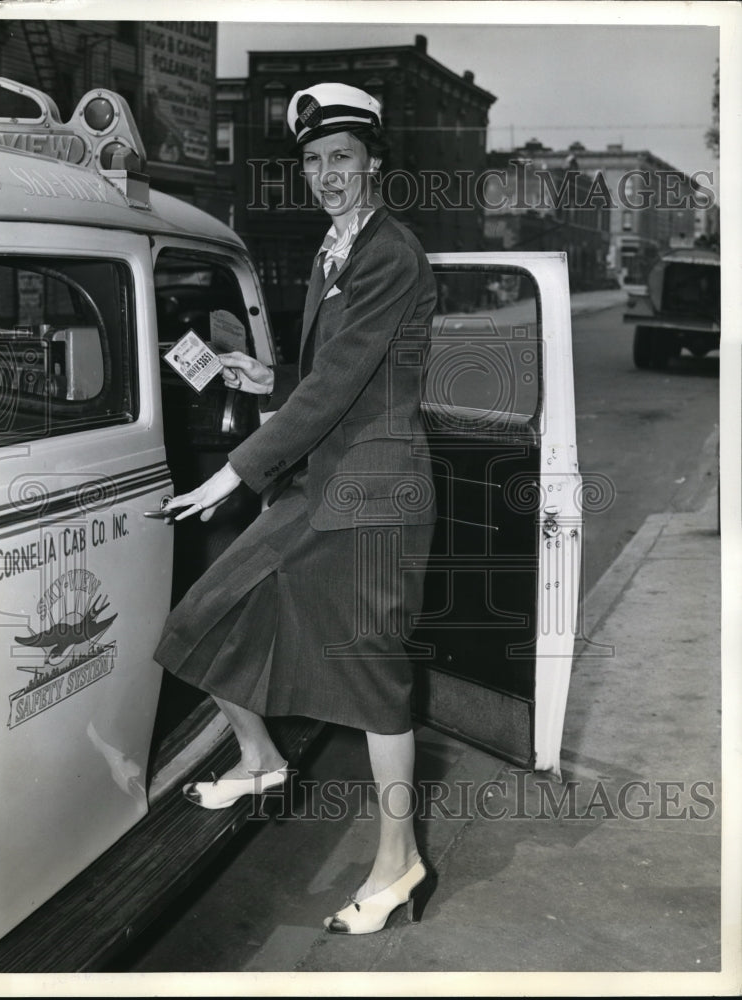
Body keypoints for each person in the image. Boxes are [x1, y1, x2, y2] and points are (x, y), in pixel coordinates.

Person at [153, 82, 438, 935]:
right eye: (313, 162)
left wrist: (237, 471)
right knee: (202, 614)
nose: (326, 174)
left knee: (374, 680)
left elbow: (342, 383)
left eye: (341, 158)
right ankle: (259, 757)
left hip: (374, 495)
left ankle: (400, 862)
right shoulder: (333, 248)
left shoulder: (390, 252)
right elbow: (330, 375)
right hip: (319, 485)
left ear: (373, 163)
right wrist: (264, 378)